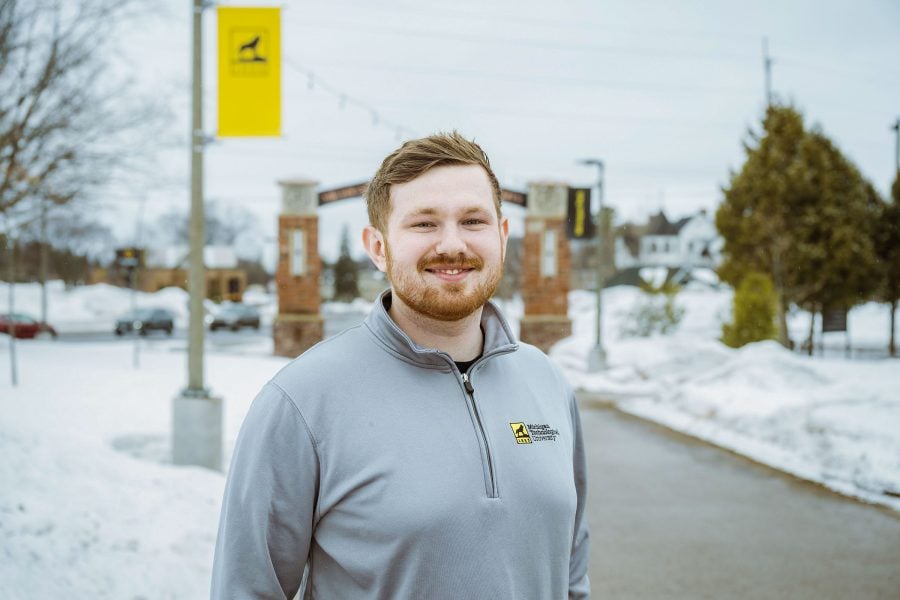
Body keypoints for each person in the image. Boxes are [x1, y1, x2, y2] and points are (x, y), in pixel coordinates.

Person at [211, 132, 591, 599]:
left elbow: (572, 576)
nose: (452, 245)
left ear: (503, 235)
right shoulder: (301, 402)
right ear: (378, 246)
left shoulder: (547, 382)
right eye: (424, 224)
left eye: (473, 220)